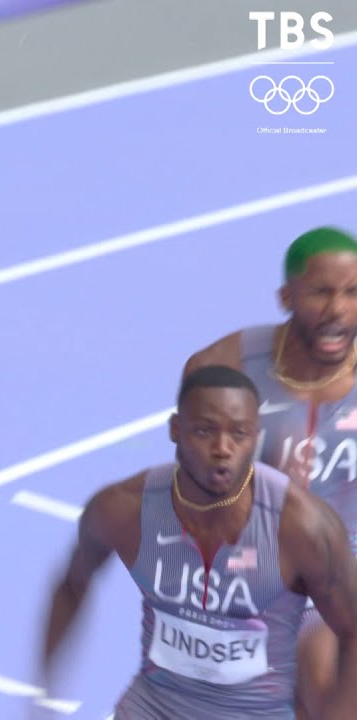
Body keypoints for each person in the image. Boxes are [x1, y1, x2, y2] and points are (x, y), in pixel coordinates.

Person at [40, 364, 357, 719]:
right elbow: (71, 585)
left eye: (239, 434)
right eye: (205, 431)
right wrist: (45, 693)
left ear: (255, 436)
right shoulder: (122, 510)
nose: (222, 448)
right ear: (176, 430)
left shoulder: (302, 527)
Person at [183, 225, 357, 717]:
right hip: (257, 571)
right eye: (322, 292)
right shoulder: (223, 371)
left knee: (328, 682)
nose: (339, 310)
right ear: (287, 296)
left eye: (353, 293)